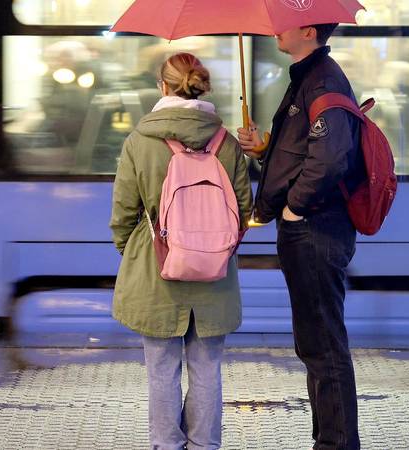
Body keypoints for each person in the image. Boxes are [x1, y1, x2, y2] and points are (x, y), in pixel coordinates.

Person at [110, 52, 252, 450]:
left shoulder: (140, 141)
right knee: (207, 371)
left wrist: (137, 254)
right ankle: (204, 445)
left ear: (163, 86)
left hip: (156, 274)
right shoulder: (227, 143)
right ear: (200, 85)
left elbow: (123, 214)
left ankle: (167, 445)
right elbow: (244, 212)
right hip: (215, 275)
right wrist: (213, 248)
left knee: (161, 372)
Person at [237, 24, 364, 450]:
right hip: (311, 227)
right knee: (316, 346)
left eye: (286, 22)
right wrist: (264, 150)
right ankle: (329, 440)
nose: (276, 29)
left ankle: (336, 444)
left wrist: (295, 207)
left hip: (313, 228)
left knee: (323, 347)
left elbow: (331, 159)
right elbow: (305, 152)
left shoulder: (322, 81)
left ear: (308, 31)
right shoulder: (308, 78)